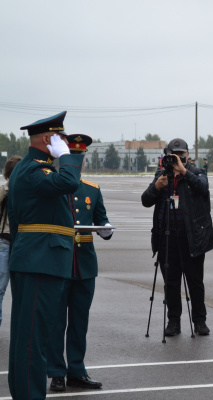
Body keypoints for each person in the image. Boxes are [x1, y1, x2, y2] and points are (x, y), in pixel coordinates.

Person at [7, 111, 84, 399]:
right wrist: (67, 157)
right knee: (33, 339)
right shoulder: (34, 170)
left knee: (29, 335)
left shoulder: (29, 168)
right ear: (47, 138)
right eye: (60, 137)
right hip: (41, 260)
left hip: (36, 258)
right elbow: (69, 183)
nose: (64, 142)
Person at [47, 134, 114, 392]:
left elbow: (102, 219)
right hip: (59, 262)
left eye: (79, 158)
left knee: (79, 321)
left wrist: (106, 229)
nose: (77, 162)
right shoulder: (54, 185)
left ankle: (76, 370)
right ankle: (56, 373)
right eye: (72, 157)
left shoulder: (92, 190)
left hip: (84, 263)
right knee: (56, 321)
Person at [141, 138, 213, 337]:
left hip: (192, 238)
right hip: (167, 239)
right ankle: (173, 321)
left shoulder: (196, 173)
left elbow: (203, 188)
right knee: (171, 284)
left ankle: (200, 321)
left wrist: (184, 171)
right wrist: (155, 187)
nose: (178, 160)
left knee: (195, 282)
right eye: (174, 156)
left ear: (188, 156)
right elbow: (145, 201)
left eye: (182, 156)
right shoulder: (161, 175)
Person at [0, 155, 22, 328]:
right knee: (0, 289)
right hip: (4, 243)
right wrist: (9, 187)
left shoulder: (27, 193)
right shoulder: (4, 191)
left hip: (21, 245)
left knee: (22, 292)